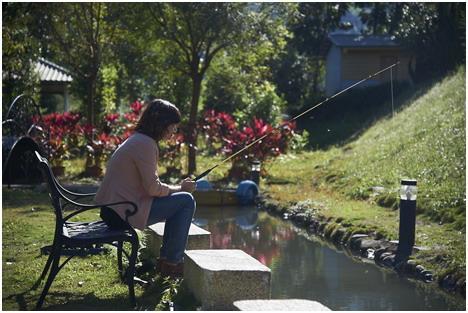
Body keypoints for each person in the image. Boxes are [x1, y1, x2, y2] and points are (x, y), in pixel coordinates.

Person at [95, 99, 196, 278]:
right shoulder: (146, 144)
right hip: (122, 213)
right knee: (186, 201)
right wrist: (181, 187)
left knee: (180, 201)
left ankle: (168, 262)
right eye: (173, 126)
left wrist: (177, 189)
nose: (174, 131)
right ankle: (171, 264)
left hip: (115, 210)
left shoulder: (139, 139)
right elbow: (153, 189)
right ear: (162, 124)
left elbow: (150, 186)